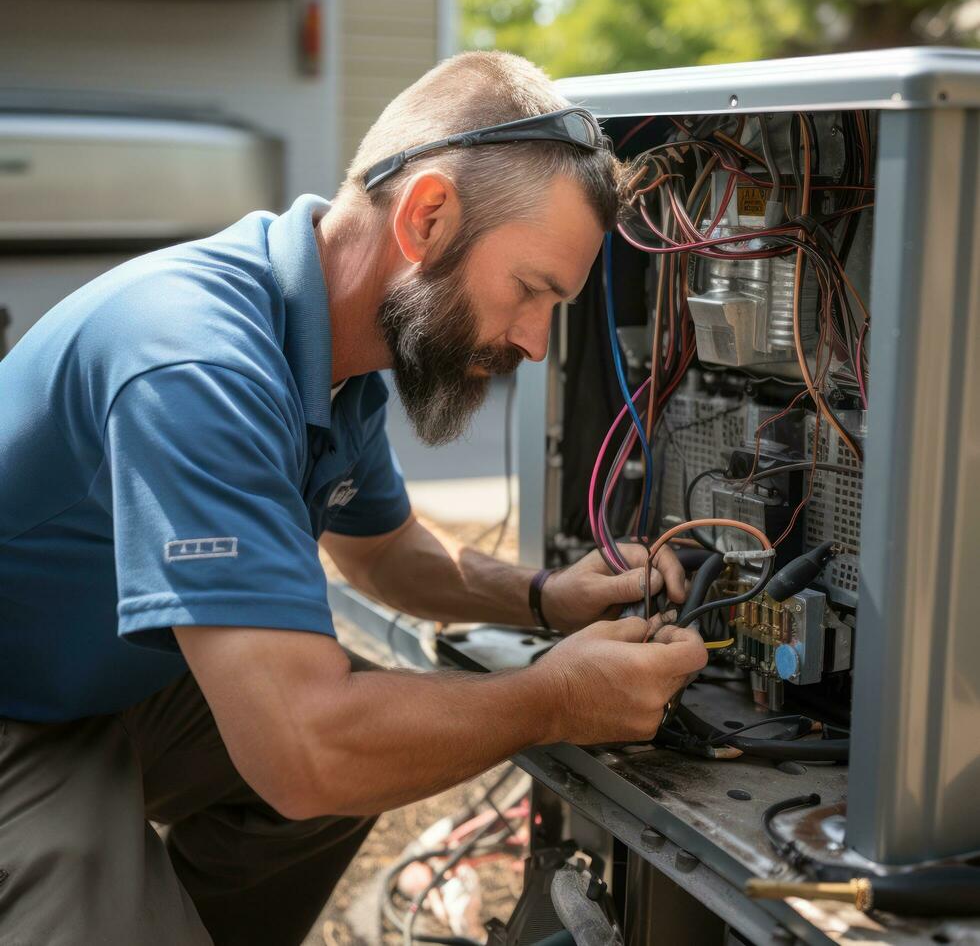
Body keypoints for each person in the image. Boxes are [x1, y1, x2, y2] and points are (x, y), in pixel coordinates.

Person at [0, 51, 705, 945]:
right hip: (16, 709)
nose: (535, 343)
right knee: (332, 748)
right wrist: (554, 697)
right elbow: (305, 749)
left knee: (372, 742)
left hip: (93, 676)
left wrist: (543, 597)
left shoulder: (341, 355)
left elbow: (385, 553)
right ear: (429, 214)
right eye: (531, 292)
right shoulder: (198, 361)